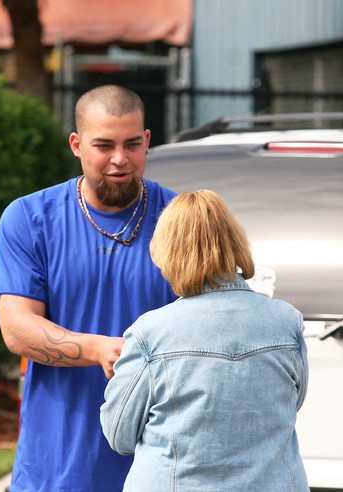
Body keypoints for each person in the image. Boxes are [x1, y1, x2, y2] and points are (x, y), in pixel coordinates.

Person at [0, 85, 178, 491]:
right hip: (57, 468)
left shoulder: (180, 220)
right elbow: (16, 328)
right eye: (103, 145)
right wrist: (100, 350)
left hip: (160, 466)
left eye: (131, 144)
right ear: (76, 144)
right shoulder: (30, 218)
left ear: (147, 141)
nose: (119, 159)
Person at [100, 190, 309, 491]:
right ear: (234, 241)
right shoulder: (287, 322)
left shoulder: (150, 333)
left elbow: (118, 433)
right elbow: (292, 403)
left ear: (167, 252)